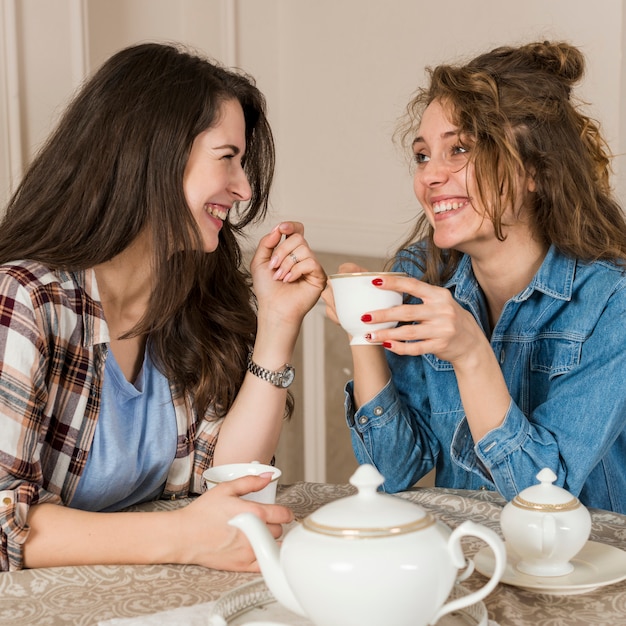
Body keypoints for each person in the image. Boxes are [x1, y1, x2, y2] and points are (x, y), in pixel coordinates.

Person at [0, 42, 326, 572]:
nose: (243, 189)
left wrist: (278, 323)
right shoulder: (26, 299)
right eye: (228, 158)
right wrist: (180, 537)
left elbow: (223, 476)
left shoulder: (187, 295)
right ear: (156, 154)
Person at [323, 41, 626, 513]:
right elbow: (390, 473)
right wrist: (363, 328)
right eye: (423, 156)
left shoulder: (612, 301)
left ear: (535, 171)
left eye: (459, 149)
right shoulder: (422, 276)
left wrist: (470, 353)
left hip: (586, 571)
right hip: (467, 559)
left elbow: (544, 503)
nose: (430, 177)